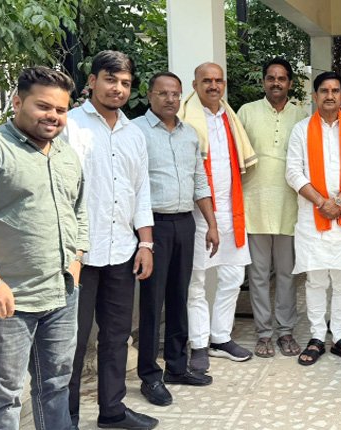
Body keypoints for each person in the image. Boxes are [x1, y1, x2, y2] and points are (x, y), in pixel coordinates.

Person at [0, 66, 87, 430]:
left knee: (57, 385)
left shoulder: (66, 155)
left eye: (60, 110)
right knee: (4, 395)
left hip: (61, 293)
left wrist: (76, 260)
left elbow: (80, 210)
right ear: (17, 102)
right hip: (9, 299)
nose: (53, 116)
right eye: (43, 106)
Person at [66, 50, 158, 430]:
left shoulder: (134, 134)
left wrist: (146, 243)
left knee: (117, 337)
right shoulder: (69, 126)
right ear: (92, 81)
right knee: (71, 342)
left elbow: (141, 191)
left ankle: (113, 411)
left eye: (125, 83)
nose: (118, 88)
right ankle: (66, 418)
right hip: (79, 255)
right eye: (110, 79)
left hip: (122, 251)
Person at [133, 72, 219, 407]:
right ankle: (149, 375)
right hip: (152, 225)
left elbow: (200, 181)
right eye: (163, 93)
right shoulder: (136, 132)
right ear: (150, 95)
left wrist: (211, 224)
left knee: (179, 296)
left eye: (175, 94)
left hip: (185, 223)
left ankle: (177, 367)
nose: (170, 99)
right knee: (152, 302)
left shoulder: (189, 135)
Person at [285, 71, 341, 365]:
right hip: (313, 215)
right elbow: (293, 172)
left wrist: (339, 201)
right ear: (315, 96)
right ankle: (317, 337)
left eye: (336, 91)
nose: (331, 96)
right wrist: (322, 203)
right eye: (325, 91)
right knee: (316, 279)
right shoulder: (301, 130)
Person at [180, 62, 257, 368]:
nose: (214, 86)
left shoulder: (229, 117)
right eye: (207, 81)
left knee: (233, 276)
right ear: (195, 85)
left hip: (231, 209)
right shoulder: (186, 120)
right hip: (198, 212)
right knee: (197, 280)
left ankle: (220, 338)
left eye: (218, 81)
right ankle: (199, 343)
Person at [237, 58, 307, 358]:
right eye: (271, 77)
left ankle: (286, 330)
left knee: (288, 274)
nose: (276, 82)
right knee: (258, 275)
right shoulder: (246, 112)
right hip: (254, 206)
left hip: (290, 207)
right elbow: (236, 157)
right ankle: (264, 333)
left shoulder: (301, 116)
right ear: (264, 81)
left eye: (281, 78)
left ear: (289, 83)